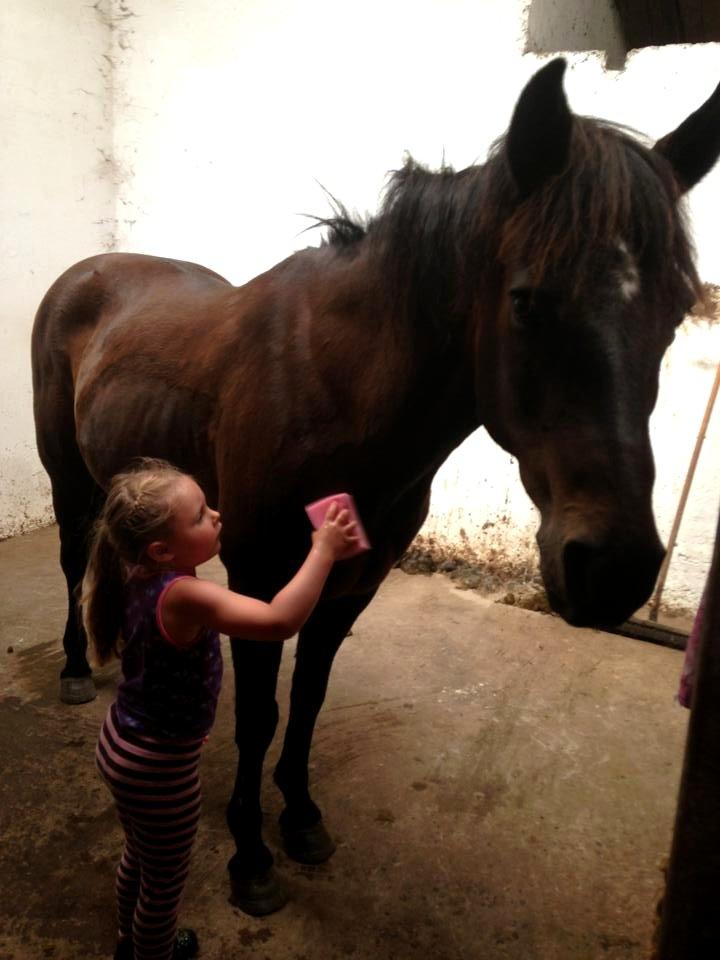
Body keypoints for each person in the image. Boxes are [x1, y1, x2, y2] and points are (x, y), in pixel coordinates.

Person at [80, 458, 359, 960]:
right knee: (164, 887)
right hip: (160, 768)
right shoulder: (185, 596)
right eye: (200, 516)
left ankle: (128, 941)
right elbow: (278, 621)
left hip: (119, 742)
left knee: (138, 857)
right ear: (162, 549)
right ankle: (153, 953)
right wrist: (322, 550)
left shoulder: (134, 568)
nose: (218, 515)